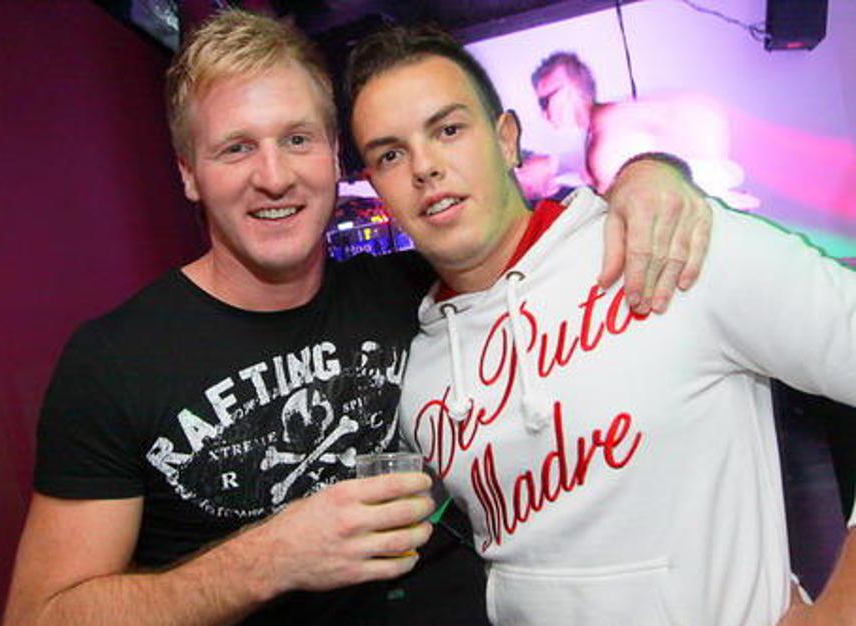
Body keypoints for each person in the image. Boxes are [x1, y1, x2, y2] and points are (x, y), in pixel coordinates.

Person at [2, 9, 713, 626]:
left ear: (334, 156)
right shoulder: (114, 362)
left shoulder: (412, 288)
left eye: (297, 139)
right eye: (236, 148)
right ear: (189, 173)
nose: (274, 177)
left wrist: (648, 172)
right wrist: (269, 559)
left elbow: (522, 230)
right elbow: (41, 615)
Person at [346, 25, 856, 626]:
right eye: (390, 154)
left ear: (506, 139)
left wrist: (840, 611)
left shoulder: (667, 242)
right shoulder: (421, 373)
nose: (425, 167)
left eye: (448, 130)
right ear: (376, 186)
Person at [521, 51, 758, 209]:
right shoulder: (602, 131)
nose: (544, 113)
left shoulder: (607, 132)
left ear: (567, 92)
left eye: (545, 101)